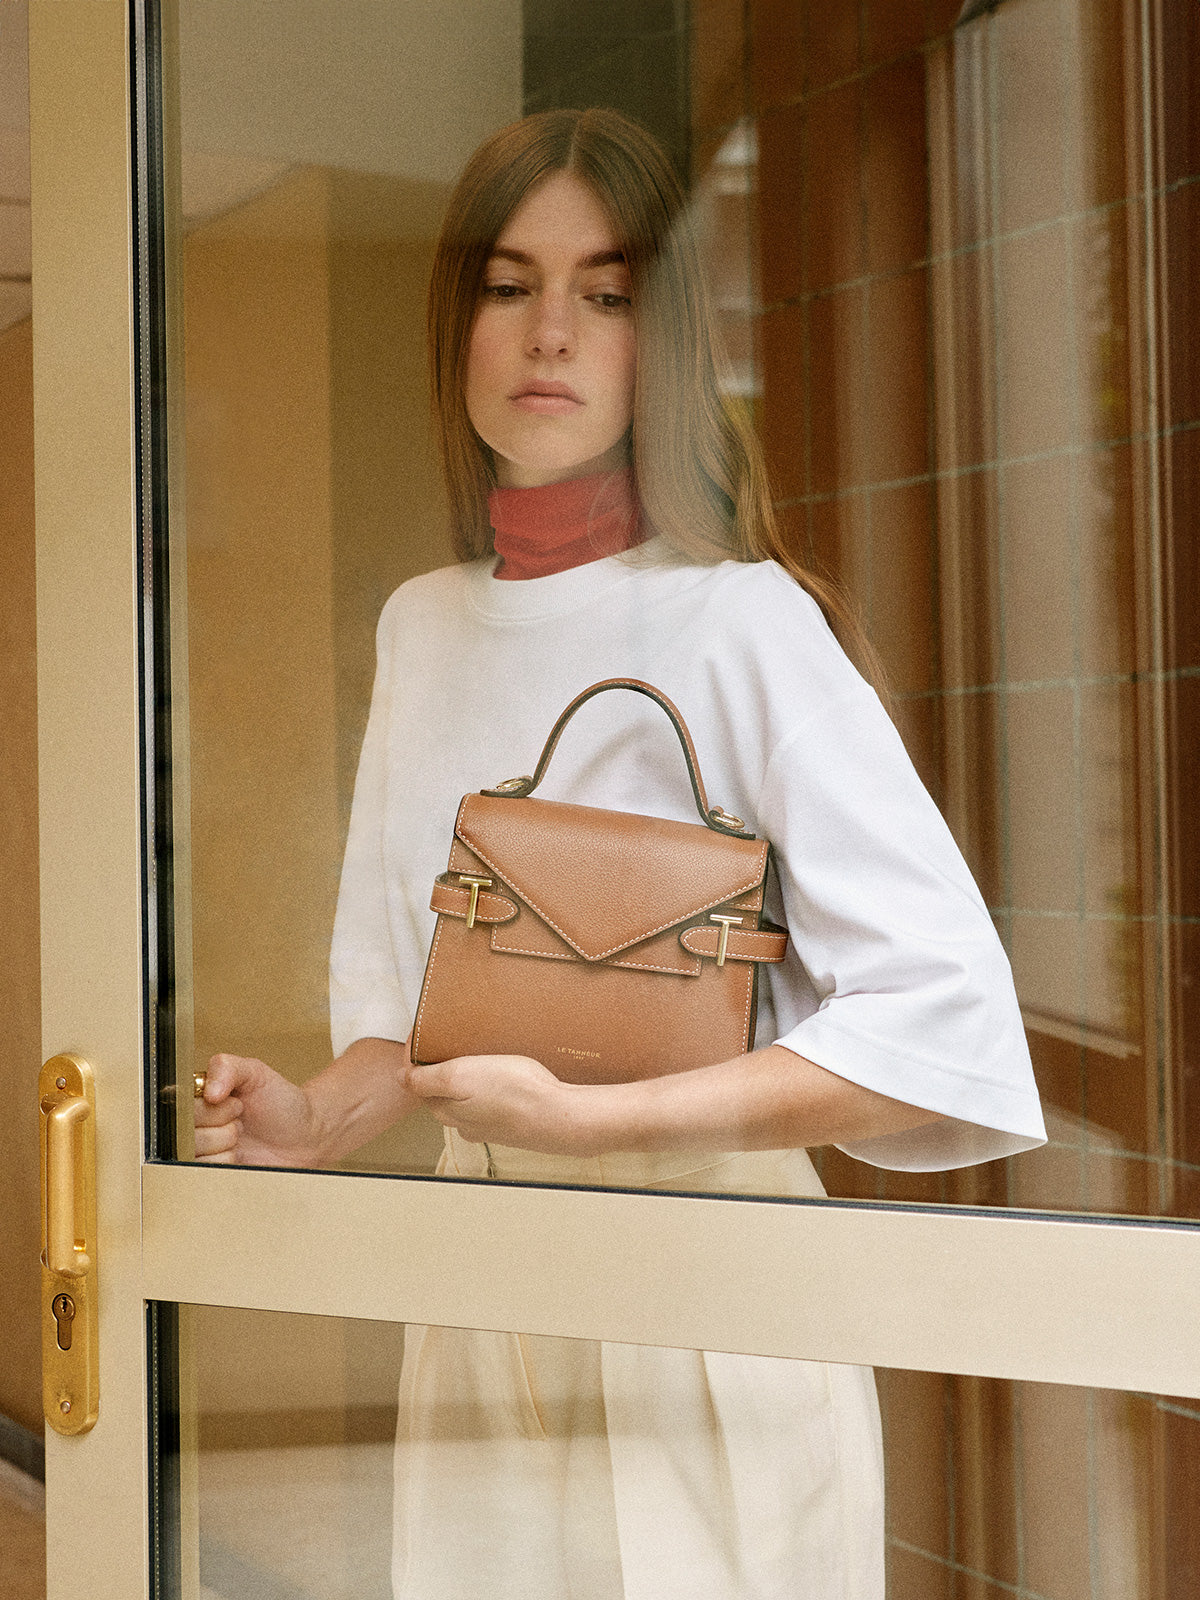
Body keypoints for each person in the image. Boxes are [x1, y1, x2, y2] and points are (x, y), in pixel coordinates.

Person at [195, 107, 1046, 1599]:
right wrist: (313, 1121)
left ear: (662, 341)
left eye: (605, 293)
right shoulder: (422, 625)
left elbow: (941, 1028)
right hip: (485, 1288)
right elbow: (416, 1021)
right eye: (509, 284)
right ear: (457, 323)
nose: (551, 333)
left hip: (708, 1287)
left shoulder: (743, 619)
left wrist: (593, 1126)